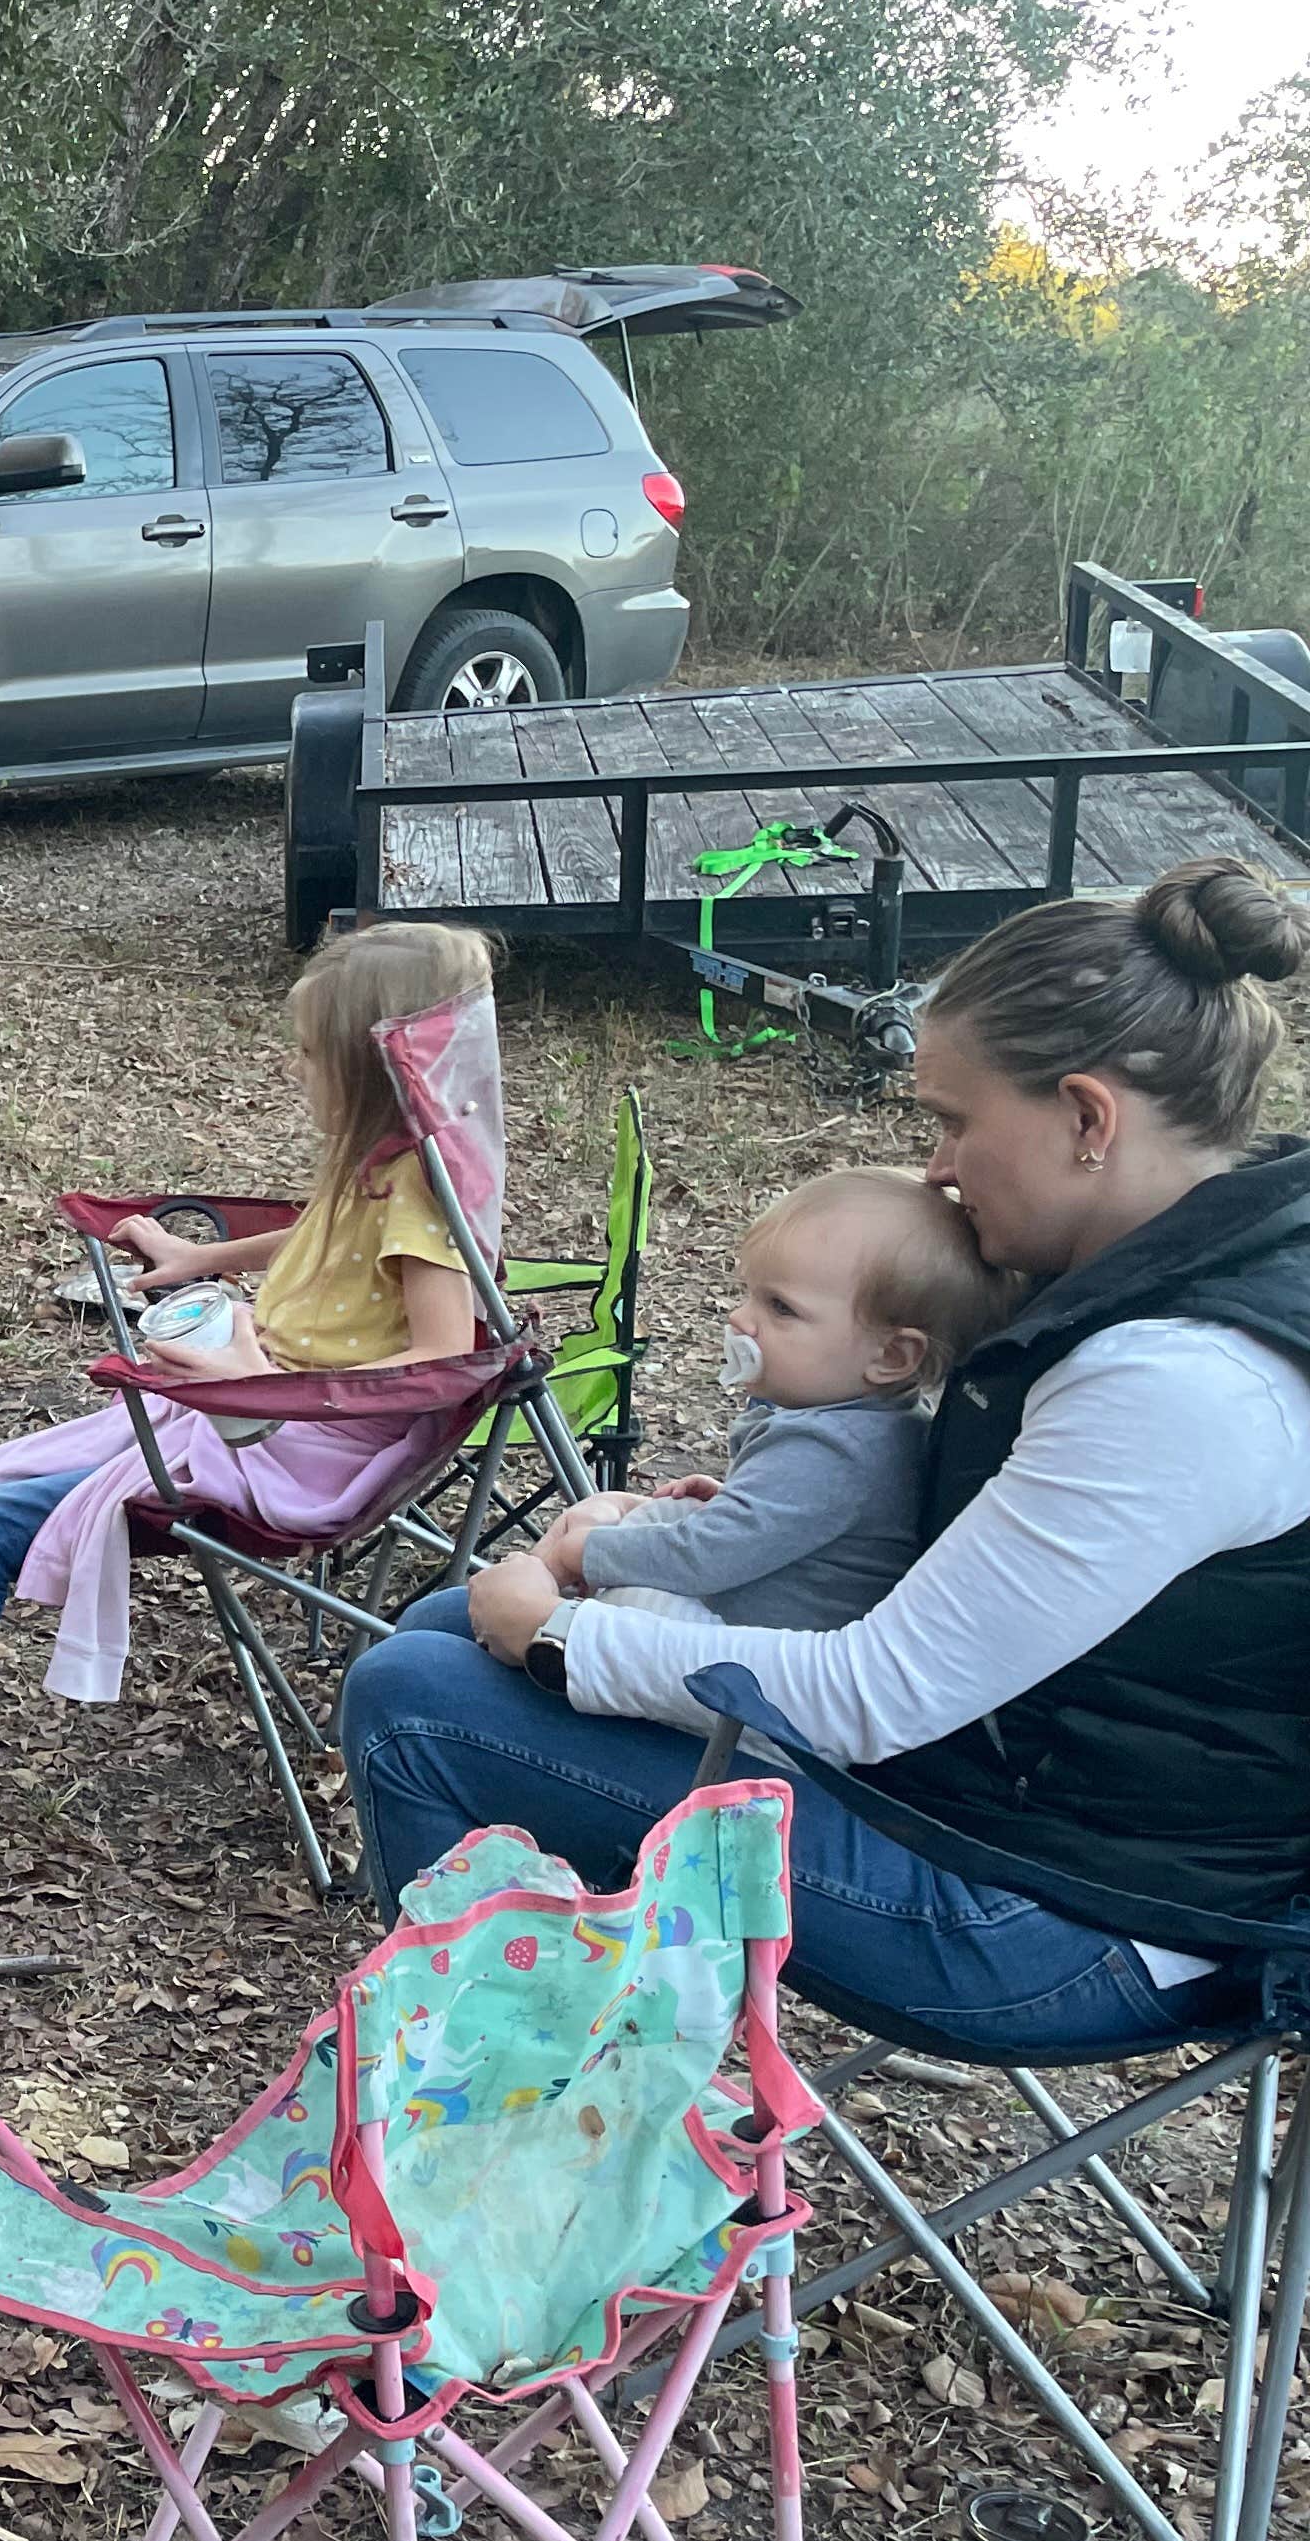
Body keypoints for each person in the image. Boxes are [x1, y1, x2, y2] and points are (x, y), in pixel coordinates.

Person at [341, 856, 1310, 2059]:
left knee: (416, 1703)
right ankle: (586, 2057)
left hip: (1074, 1917)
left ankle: (509, 2136)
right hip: (1059, 1817)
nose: (938, 1169)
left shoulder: (1178, 1383)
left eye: (954, 1121)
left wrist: (559, 1638)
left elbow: (876, 1691)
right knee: (444, 1630)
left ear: (1087, 1118)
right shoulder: (1223, 1253)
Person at [0, 922, 493, 1824]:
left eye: (310, 1054)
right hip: (249, 1407)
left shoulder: (420, 1193)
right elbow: (322, 1233)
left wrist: (251, 1375)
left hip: (287, 1444)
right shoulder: (389, 1164)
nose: (297, 1068)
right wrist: (200, 1259)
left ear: (370, 1072)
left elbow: (443, 1364)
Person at [538, 1166, 1008, 1632]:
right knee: (656, 1524)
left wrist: (584, 1553)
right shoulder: (869, 1422)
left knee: (595, 1603)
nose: (740, 1319)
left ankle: (535, 1626)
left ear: (891, 1356)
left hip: (755, 1672)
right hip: (754, 1623)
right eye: (750, 1295)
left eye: (781, 1307)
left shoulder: (832, 1450)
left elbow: (704, 1558)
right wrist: (744, 1501)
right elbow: (807, 1528)